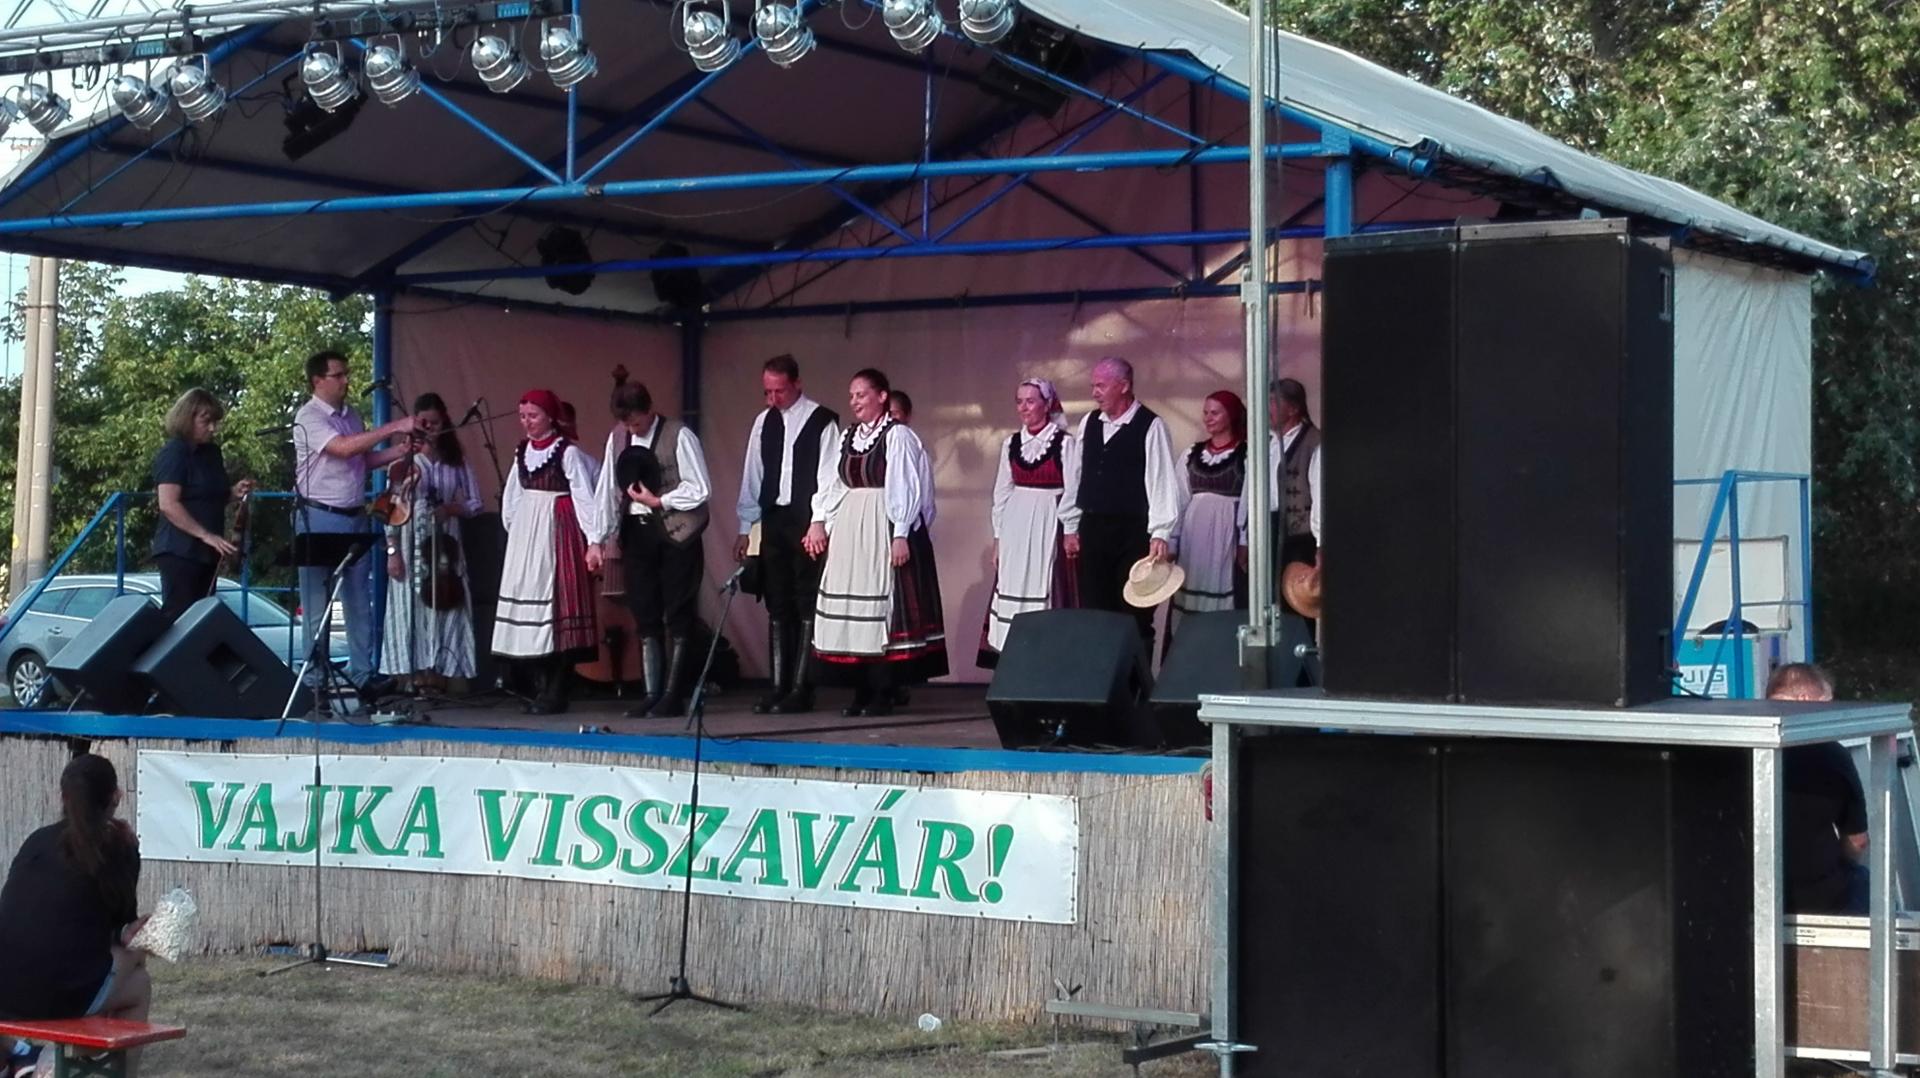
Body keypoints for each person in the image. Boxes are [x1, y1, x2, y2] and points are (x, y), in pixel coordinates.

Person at [805, 369, 947, 717]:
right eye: (852, 395)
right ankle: (860, 691)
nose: (854, 401)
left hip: (881, 521)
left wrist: (900, 533)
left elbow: (906, 486)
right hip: (851, 526)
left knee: (881, 608)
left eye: (862, 394)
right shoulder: (848, 436)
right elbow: (833, 482)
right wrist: (819, 521)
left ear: (882, 396)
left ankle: (883, 692)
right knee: (854, 611)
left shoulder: (897, 436)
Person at [0, 755, 149, 1076]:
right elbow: (124, 932)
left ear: (62, 797)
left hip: (5, 990)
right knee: (137, 976)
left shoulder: (36, 841)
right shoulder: (119, 847)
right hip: (60, 996)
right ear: (116, 798)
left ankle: (18, 1056)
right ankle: (61, 1059)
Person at [291, 350, 414, 692]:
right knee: (317, 604)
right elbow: (343, 448)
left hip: (354, 514)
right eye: (339, 375)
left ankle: (362, 672)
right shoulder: (309, 416)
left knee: (359, 598)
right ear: (318, 380)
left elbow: (361, 459)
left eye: (346, 374)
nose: (346, 381)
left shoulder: (352, 415)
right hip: (319, 516)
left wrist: (398, 452)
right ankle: (315, 678)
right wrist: (394, 426)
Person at [587, 380, 711, 718]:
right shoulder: (618, 438)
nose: (632, 429)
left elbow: (700, 487)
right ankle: (652, 692)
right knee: (644, 610)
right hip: (637, 533)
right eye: (627, 423)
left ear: (649, 410)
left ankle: (673, 694)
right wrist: (597, 540)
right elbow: (607, 491)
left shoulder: (678, 435)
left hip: (676, 535)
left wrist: (660, 500)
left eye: (637, 423)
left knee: (678, 611)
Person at [735, 354, 841, 715]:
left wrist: (819, 520)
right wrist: (746, 527)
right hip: (774, 519)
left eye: (779, 391)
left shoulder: (821, 421)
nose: (773, 398)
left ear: (797, 384)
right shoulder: (763, 422)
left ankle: (801, 687)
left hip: (805, 519)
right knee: (777, 601)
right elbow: (753, 475)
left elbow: (829, 476)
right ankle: (778, 686)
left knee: (805, 600)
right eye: (767, 391)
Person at [1057, 356, 1183, 651]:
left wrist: (1161, 532)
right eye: (1093, 386)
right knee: (1096, 608)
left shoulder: (1150, 425)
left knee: (1135, 612)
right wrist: (1070, 526)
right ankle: (1103, 675)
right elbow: (1077, 476)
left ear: (1124, 386)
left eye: (1101, 386)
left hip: (1132, 530)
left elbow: (1161, 479)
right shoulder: (1089, 423)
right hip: (1094, 527)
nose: (1095, 393)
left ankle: (1136, 677)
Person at [493, 389, 600, 714]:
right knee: (529, 607)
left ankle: (556, 689)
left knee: (557, 606)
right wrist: (516, 530)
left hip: (558, 531)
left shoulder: (567, 452)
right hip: (529, 533)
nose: (527, 422)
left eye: (533, 416)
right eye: (523, 416)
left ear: (550, 417)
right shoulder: (522, 451)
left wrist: (593, 540)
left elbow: (583, 495)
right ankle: (540, 686)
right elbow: (513, 495)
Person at [380, 393, 483, 693]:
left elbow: (476, 502)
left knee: (448, 603)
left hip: (445, 544)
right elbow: (389, 510)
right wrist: (392, 551)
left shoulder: (456, 461)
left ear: (444, 421)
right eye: (424, 423)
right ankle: (414, 676)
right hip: (409, 541)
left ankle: (444, 673)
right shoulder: (403, 462)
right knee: (409, 606)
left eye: (435, 423)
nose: (430, 429)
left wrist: (452, 508)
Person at [978, 378, 1079, 668]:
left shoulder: (1064, 443)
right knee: (1014, 582)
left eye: (1031, 401)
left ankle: (1046, 658)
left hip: (1049, 521)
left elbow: (1073, 489)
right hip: (1016, 524)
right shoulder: (1011, 443)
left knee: (1045, 582)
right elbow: (1001, 492)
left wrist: (1070, 529)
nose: (1024, 407)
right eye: (1019, 401)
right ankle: (1015, 658)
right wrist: (999, 538)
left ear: (1047, 405)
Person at [1769, 662, 1870, 913]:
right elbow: (1857, 841)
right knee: (1867, 882)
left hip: (1744, 892)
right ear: (1806, 700)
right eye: (1828, 702)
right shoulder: (1832, 754)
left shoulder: (1739, 748)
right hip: (1817, 897)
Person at [151, 388, 253, 624]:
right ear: (187, 419)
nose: (212, 428)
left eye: (215, 422)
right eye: (205, 421)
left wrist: (233, 492)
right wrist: (206, 535)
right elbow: (168, 503)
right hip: (180, 550)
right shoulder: (174, 453)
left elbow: (207, 496)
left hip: (208, 552)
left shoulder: (211, 453)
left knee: (202, 619)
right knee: (180, 618)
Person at [1172, 390, 1248, 625]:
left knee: (1223, 586)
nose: (1208, 418)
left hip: (1226, 536)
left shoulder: (1245, 455)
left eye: (1215, 413)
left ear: (1230, 416)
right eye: (1205, 413)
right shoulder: (1191, 454)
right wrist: (1172, 540)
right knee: (1192, 583)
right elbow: (1178, 499)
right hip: (1193, 538)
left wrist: (1245, 541)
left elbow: (1250, 501)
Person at [888, 389, 936, 531]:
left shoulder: (914, 448)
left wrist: (918, 527)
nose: (890, 420)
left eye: (894, 414)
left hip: (909, 527)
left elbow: (926, 496)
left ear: (907, 416)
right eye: (885, 415)